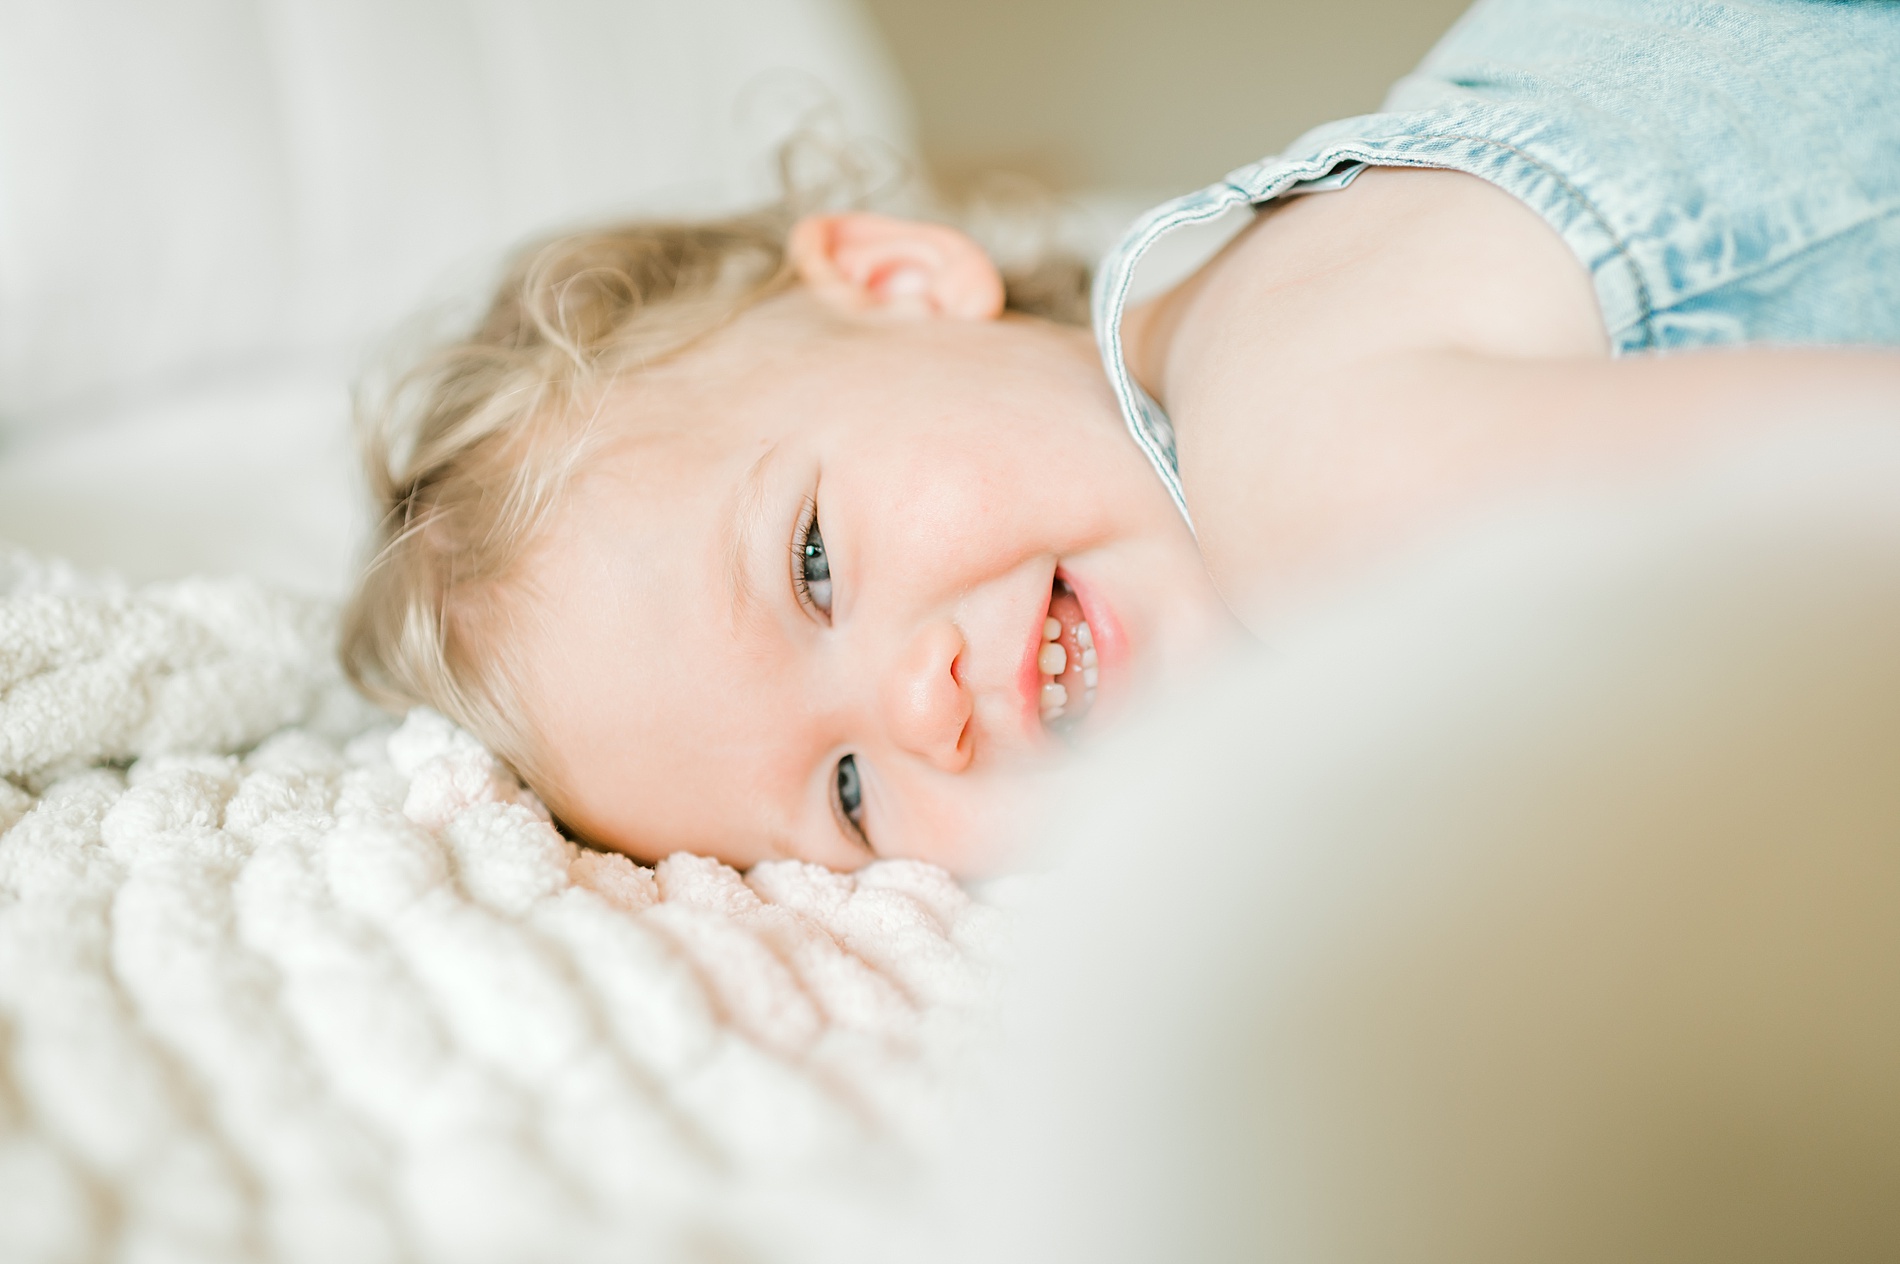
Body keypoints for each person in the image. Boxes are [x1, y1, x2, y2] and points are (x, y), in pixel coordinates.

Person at [342, 0, 1900, 877]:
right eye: (848, 798)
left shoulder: (1305, 450)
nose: (917, 703)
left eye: (813, 562)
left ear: (903, 277)